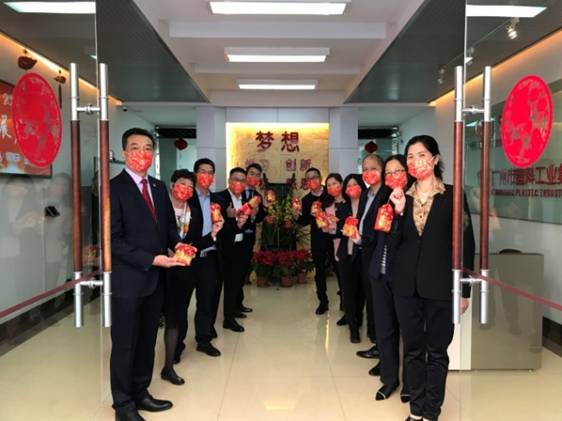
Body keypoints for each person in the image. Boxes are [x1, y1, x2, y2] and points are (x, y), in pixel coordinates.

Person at [390, 135, 475, 421]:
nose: (416, 161)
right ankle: (416, 410)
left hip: (441, 285)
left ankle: (431, 412)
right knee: (413, 350)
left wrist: (465, 290)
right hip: (406, 286)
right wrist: (398, 213)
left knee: (437, 351)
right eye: (410, 157)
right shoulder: (401, 196)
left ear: (435, 158)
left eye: (422, 155)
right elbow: (394, 242)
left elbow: (466, 242)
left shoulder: (452, 195)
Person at [110, 128, 186, 421]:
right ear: (124, 152)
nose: (141, 153)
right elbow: (113, 240)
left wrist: (178, 245)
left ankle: (141, 392)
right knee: (125, 343)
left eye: (146, 148)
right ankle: (123, 405)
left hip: (156, 280)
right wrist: (151, 259)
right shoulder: (113, 188)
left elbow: (168, 228)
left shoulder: (158, 186)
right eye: (135, 147)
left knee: (146, 340)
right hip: (128, 280)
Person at [367, 154, 412, 402]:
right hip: (380, 272)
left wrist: (401, 211)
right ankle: (389, 379)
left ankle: (409, 384)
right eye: (389, 173)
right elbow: (373, 234)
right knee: (384, 330)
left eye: (398, 171)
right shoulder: (382, 198)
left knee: (408, 331)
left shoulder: (414, 199)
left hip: (403, 275)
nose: (394, 176)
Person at [175, 158, 225, 358]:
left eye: (210, 172)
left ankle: (204, 339)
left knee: (206, 301)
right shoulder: (187, 197)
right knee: (182, 303)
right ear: (195, 174)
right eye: (202, 171)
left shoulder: (218, 200)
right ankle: (176, 344)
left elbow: (225, 228)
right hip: (187, 258)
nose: (207, 175)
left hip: (209, 257)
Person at [353, 154, 386, 358]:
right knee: (370, 298)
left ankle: (381, 345)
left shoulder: (387, 194)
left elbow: (381, 229)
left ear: (382, 170)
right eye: (365, 169)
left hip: (378, 254)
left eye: (373, 168)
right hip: (364, 252)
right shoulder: (366, 194)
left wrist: (362, 239)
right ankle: (376, 340)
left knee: (379, 302)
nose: (368, 173)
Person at [215, 167, 250, 332]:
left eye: (243, 180)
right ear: (229, 180)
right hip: (225, 247)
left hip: (241, 246)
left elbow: (247, 223)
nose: (239, 183)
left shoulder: (245, 199)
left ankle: (233, 310)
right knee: (227, 284)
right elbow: (217, 225)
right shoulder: (219, 198)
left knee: (236, 282)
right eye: (236, 179)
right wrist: (230, 218)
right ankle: (228, 319)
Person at [294, 167, 333, 315]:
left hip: (334, 237)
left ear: (321, 177)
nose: (312, 180)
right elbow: (304, 221)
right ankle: (323, 301)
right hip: (318, 239)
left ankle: (345, 300)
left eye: (315, 177)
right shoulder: (306, 200)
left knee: (339, 269)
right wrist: (296, 215)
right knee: (320, 271)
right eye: (309, 178)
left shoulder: (330, 193)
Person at [335, 173, 366, 343]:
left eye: (355, 184)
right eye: (348, 186)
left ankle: (358, 318)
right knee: (348, 291)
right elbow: (338, 230)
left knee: (360, 291)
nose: (351, 188)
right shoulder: (343, 207)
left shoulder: (367, 205)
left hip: (362, 254)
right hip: (346, 253)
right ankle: (353, 327)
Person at [239, 163, 267, 314]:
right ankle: (233, 306)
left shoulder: (258, 196)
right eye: (251, 173)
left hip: (249, 237)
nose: (254, 177)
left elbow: (259, 217)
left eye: (257, 175)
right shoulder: (238, 192)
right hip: (235, 237)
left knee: (244, 270)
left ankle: (239, 303)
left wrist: (264, 208)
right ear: (246, 174)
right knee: (234, 274)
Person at [322, 173, 346, 325]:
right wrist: (323, 222)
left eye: (334, 183)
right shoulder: (328, 204)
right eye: (329, 185)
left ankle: (350, 309)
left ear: (341, 184)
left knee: (348, 279)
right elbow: (326, 229)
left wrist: (339, 223)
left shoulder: (348, 201)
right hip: (333, 244)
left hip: (348, 245)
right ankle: (345, 305)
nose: (332, 187)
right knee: (340, 277)